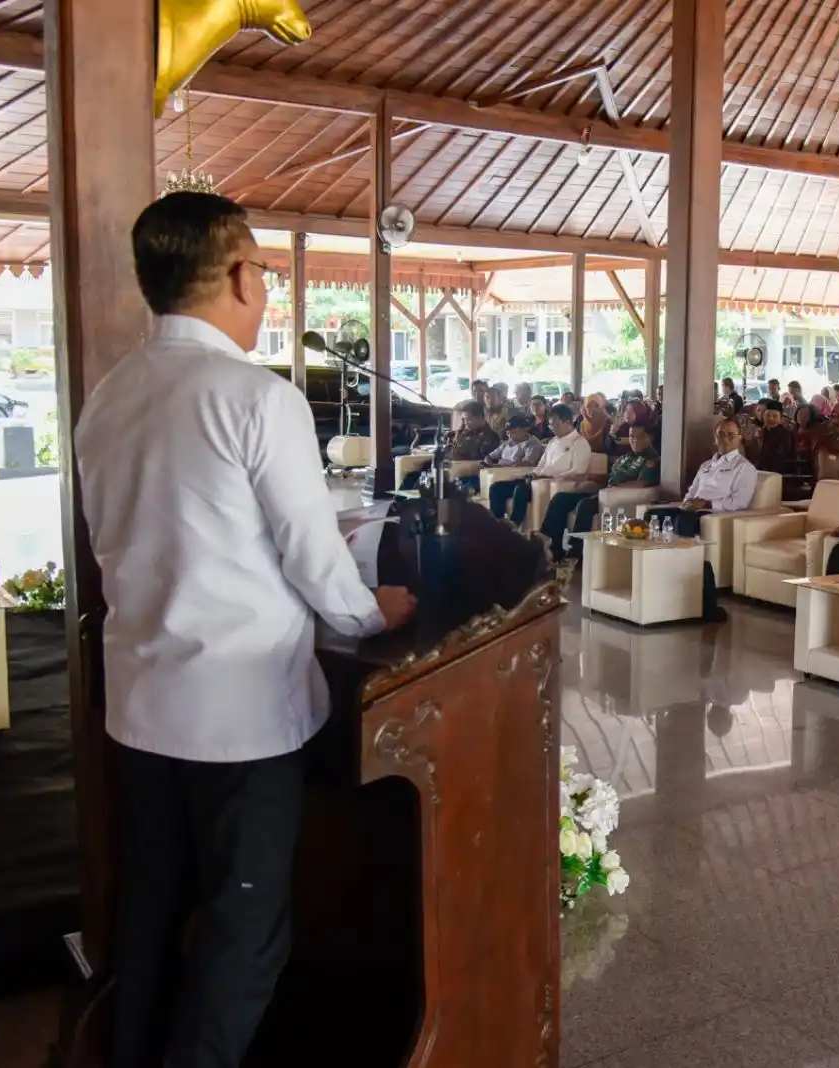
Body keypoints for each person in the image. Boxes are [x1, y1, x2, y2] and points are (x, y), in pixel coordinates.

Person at [75, 193, 418, 1068]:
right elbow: (312, 553)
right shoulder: (256, 397)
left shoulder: (107, 397)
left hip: (141, 709)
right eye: (264, 269)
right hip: (239, 717)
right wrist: (368, 612)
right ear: (237, 275)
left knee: (153, 911)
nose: (265, 288)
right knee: (245, 932)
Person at [646, 419, 758, 622]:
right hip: (691, 508)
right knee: (652, 516)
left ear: (739, 438)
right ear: (715, 438)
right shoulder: (707, 465)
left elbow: (739, 502)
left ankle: (684, 582)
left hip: (712, 512)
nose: (725, 439)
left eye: (730, 435)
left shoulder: (744, 468)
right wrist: (688, 503)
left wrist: (706, 503)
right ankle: (658, 575)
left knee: (683, 523)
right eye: (720, 434)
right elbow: (692, 491)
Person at [549, 423, 661, 559]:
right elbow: (610, 477)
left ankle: (575, 554)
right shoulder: (626, 457)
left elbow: (642, 483)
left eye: (640, 436)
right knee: (560, 498)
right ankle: (551, 548)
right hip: (602, 492)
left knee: (585, 505)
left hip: (615, 498)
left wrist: (615, 487)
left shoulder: (651, 460)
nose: (635, 440)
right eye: (632, 436)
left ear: (649, 438)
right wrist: (589, 477)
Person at [488, 403, 590, 524]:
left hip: (554, 482)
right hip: (538, 478)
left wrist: (550, 476)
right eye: (551, 426)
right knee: (497, 488)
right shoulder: (553, 441)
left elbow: (578, 471)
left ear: (568, 422)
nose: (553, 429)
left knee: (521, 489)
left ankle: (513, 526)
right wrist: (534, 474)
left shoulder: (579, 443)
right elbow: (541, 464)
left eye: (556, 425)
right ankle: (496, 525)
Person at [755, 398, 797, 474]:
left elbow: (781, 456)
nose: (770, 419)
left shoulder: (786, 434)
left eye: (774, 416)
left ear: (781, 419)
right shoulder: (762, 431)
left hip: (781, 473)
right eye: (767, 415)